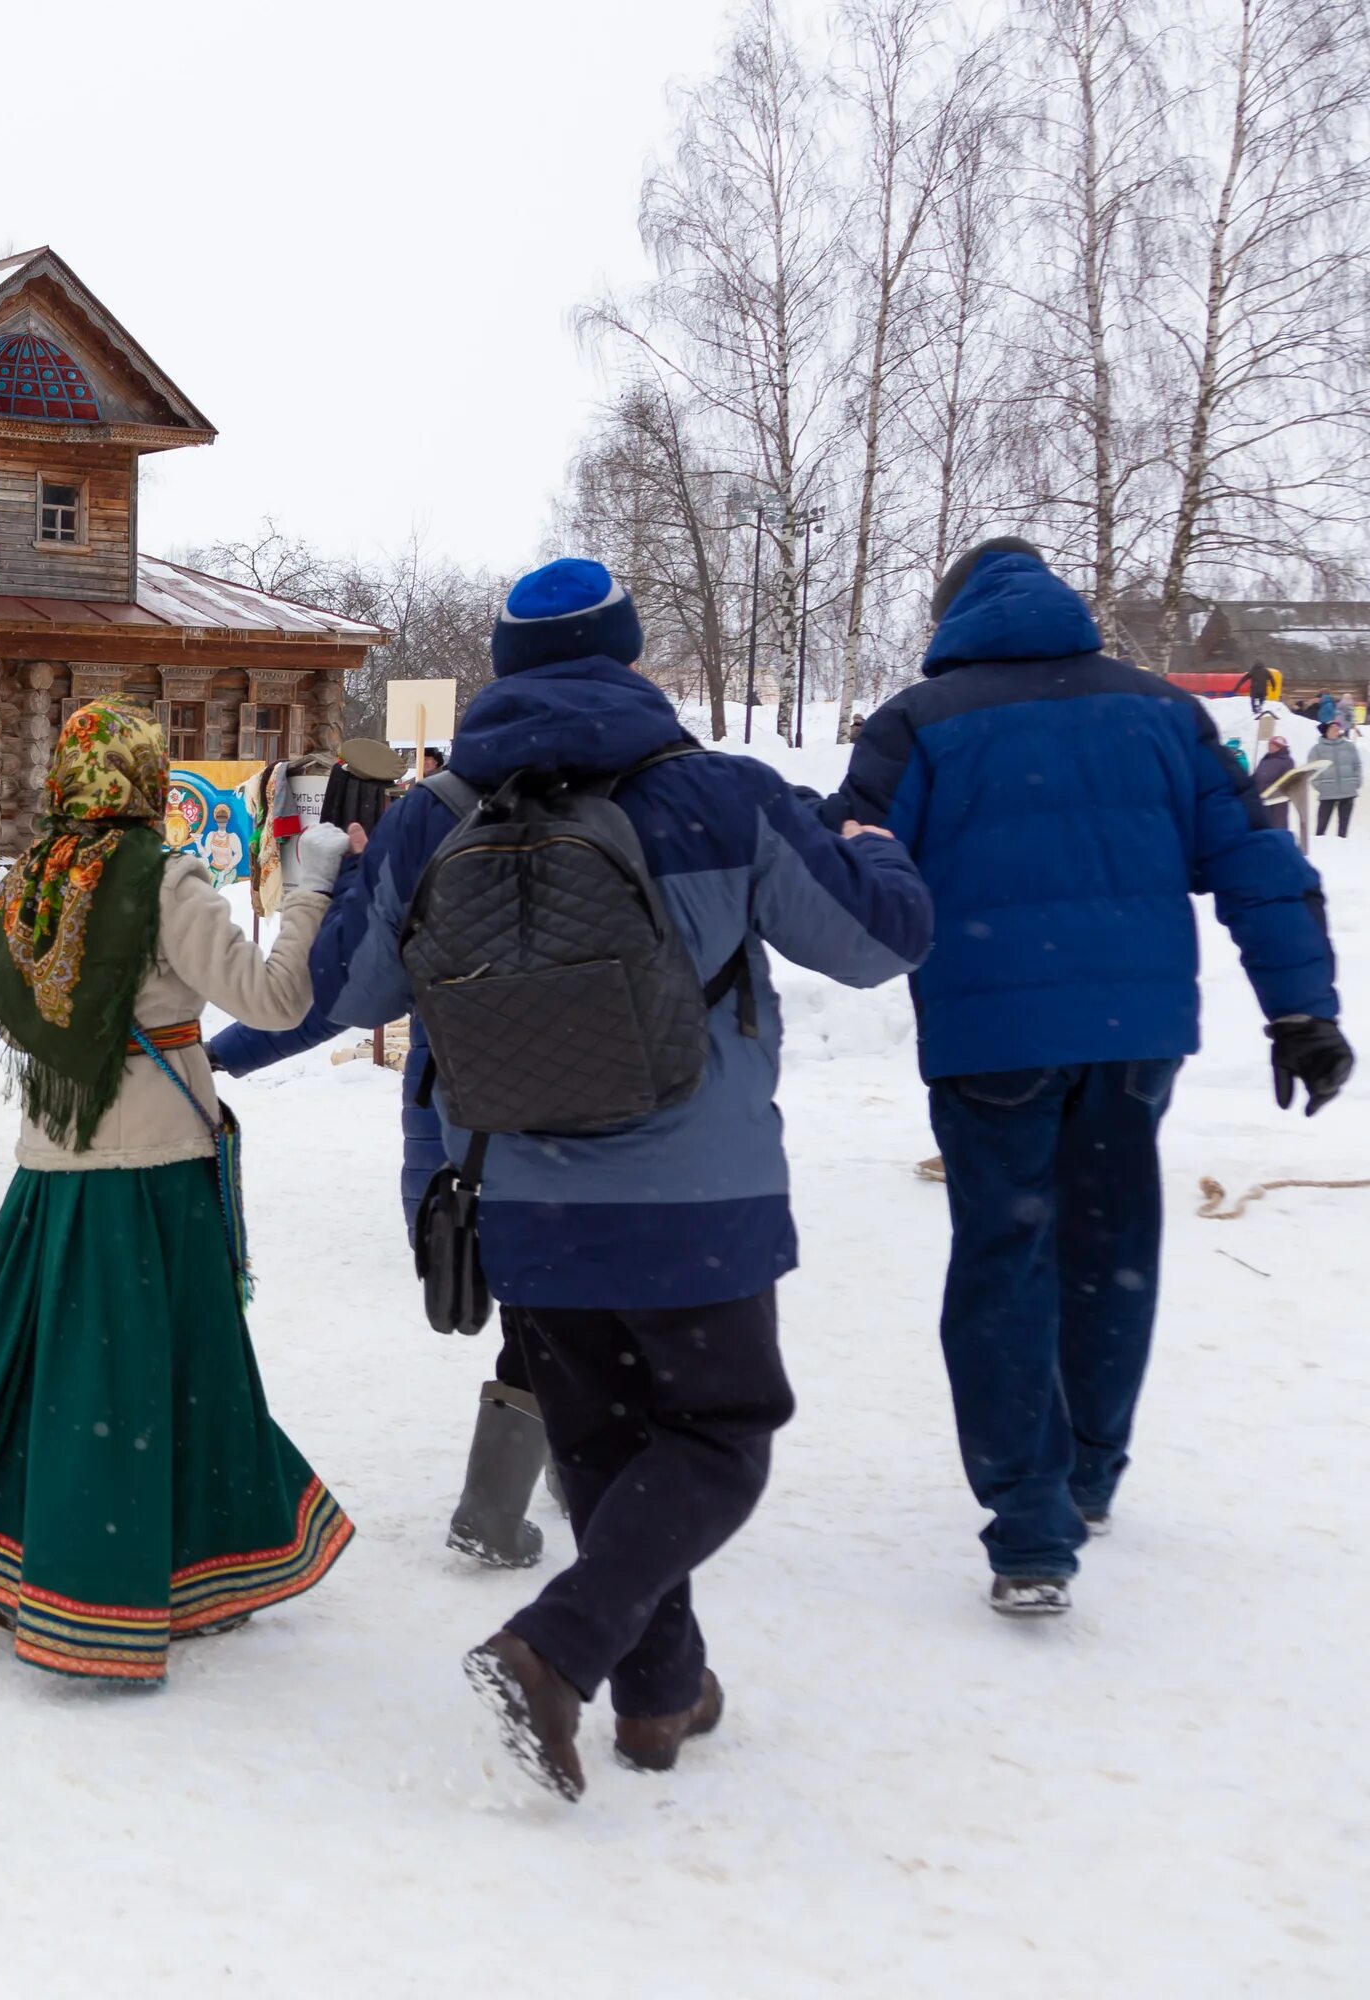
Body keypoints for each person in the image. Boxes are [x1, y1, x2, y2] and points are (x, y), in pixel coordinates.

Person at [327, 559, 930, 1799]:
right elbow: (878, 943)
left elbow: (351, 992)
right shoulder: (721, 796)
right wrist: (880, 843)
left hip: (530, 1197)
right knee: (719, 1435)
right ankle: (556, 1649)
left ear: (500, 667)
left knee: (604, 1447)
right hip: (698, 1195)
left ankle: (659, 1696)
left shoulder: (435, 812)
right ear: (630, 649)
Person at [827, 537, 1345, 1619]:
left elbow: (854, 861)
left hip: (990, 1036)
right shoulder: (1161, 712)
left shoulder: (921, 721)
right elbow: (1258, 860)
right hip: (1132, 1031)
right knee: (1111, 1241)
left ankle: (1030, 1529)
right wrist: (1302, 1010)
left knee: (1005, 1255)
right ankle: (1091, 1472)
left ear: (952, 613)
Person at [0, 700, 354, 1683]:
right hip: (156, 1166)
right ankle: (129, 1573)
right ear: (143, 777)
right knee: (163, 1371)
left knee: (47, 1367)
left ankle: (1, 1541)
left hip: (53, 1159)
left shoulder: (27, 881)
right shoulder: (168, 880)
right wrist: (309, 890)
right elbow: (275, 999)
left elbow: (11, 1008)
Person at [202, 820, 561, 1571]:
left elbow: (341, 994)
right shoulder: (596, 846)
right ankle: (551, 1474)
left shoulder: (437, 849)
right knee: (571, 1293)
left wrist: (223, 1055)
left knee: (544, 1296)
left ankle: (518, 1488)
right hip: (561, 1120)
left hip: (456, 1138)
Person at [1315, 720, 1361, 838]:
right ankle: (1319, 845)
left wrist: (1355, 782)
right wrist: (1320, 786)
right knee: (1321, 826)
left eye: (1337, 728)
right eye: (1333, 728)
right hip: (1327, 792)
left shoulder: (1349, 746)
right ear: (1326, 731)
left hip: (1347, 791)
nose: (1336, 730)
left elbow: (1357, 765)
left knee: (1343, 826)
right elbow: (1312, 771)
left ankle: (1342, 846)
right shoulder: (1317, 749)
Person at [1250, 731, 1297, 833]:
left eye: (1274, 745)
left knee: (1278, 824)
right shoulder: (1265, 759)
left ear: (1281, 747)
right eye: (1270, 744)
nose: (1271, 747)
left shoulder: (1287, 761)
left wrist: (1275, 789)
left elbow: (1288, 780)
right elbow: (1257, 775)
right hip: (1262, 797)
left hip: (1278, 799)